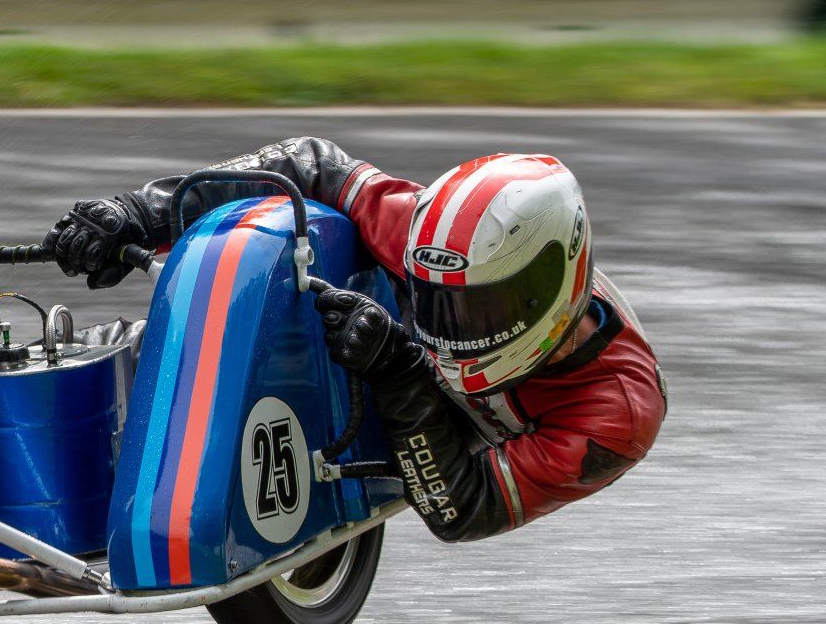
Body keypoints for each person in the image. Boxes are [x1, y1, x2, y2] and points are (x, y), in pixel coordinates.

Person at [45, 139, 665, 542]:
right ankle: (84, 363)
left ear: (551, 286)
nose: (452, 326)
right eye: (436, 298)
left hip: (429, 426)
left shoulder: (615, 415)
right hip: (369, 342)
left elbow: (464, 510)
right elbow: (311, 165)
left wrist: (400, 370)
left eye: (480, 308)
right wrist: (141, 213)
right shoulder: (430, 237)